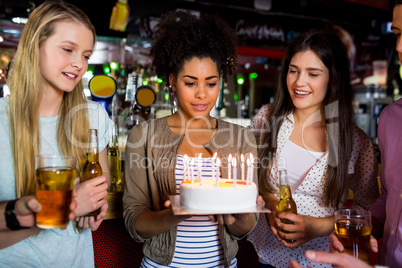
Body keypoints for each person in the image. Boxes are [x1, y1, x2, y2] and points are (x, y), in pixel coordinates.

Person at [123, 10, 261, 267]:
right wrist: (176, 212)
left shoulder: (241, 137)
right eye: (191, 83)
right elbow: (134, 224)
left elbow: (243, 229)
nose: (202, 94)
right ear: (173, 81)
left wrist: (238, 216)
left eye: (211, 83)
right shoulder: (143, 136)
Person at [247, 29, 379, 268]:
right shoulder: (267, 119)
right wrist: (270, 201)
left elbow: (368, 206)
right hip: (267, 254)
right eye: (294, 70)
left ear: (333, 78)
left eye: (313, 74)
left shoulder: (353, 141)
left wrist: (321, 225)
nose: (299, 82)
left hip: (323, 260)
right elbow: (250, 175)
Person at [0, 1, 112, 266]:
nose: (79, 64)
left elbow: (101, 180)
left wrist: (94, 205)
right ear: (34, 46)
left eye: (85, 55)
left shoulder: (93, 116)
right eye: (67, 49)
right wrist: (67, 206)